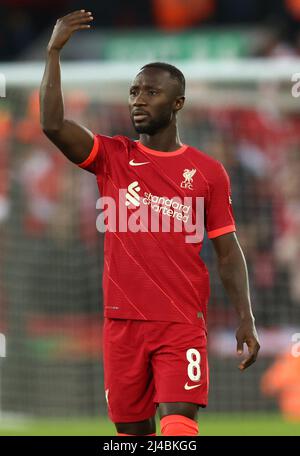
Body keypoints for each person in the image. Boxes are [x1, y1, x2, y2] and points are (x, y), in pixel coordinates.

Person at [39, 10, 260, 436]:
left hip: (180, 322)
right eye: (134, 91)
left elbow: (228, 251)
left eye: (151, 92)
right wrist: (53, 52)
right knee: (132, 436)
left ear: (177, 104)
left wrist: (245, 317)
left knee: (178, 429)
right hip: (121, 324)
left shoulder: (208, 171)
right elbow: (51, 124)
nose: (138, 99)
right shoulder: (112, 157)